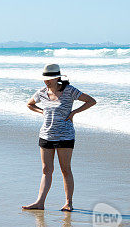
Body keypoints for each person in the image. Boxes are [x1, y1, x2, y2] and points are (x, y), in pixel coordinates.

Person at [22, 63, 96, 211]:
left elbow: (91, 101)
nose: (46, 81)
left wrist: (74, 112)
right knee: (46, 169)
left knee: (65, 169)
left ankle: (68, 203)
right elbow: (29, 104)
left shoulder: (69, 91)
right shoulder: (42, 92)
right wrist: (41, 111)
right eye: (45, 78)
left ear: (57, 78)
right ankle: (40, 202)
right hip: (46, 135)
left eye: (49, 78)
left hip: (65, 135)